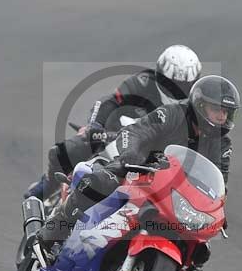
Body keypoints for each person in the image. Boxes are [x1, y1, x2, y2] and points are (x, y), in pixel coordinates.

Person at [32, 75, 241, 270]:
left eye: (226, 112)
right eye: (218, 110)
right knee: (97, 182)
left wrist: (215, 209)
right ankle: (51, 235)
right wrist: (131, 154)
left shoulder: (222, 144)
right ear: (201, 105)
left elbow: (220, 180)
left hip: (173, 190)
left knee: (197, 244)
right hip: (138, 167)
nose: (222, 116)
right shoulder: (173, 113)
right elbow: (137, 131)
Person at [24, 45, 202, 200]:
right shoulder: (143, 83)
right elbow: (108, 102)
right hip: (114, 135)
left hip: (154, 155)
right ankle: (44, 189)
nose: (176, 90)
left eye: (184, 86)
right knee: (66, 151)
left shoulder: (193, 105)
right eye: (170, 83)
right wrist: (95, 126)